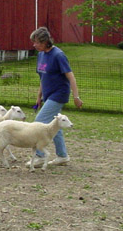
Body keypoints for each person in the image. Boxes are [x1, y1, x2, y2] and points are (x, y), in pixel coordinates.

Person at [26, 27, 83, 168]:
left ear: (45, 42)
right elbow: (43, 77)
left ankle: (39, 156)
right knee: (55, 126)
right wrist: (39, 96)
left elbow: (71, 77)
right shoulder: (41, 55)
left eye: (37, 42)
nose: (34, 45)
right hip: (48, 94)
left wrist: (76, 96)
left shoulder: (58, 55)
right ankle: (62, 156)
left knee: (39, 122)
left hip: (59, 94)